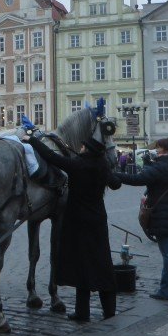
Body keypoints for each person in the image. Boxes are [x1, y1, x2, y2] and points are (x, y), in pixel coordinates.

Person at [23, 128, 118, 323]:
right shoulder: (101, 166)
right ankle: (109, 309)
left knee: (82, 265)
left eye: (83, 146)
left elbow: (51, 156)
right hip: (98, 220)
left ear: (87, 150)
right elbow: (116, 183)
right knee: (102, 263)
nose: (80, 148)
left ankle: (82, 313)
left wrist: (31, 140)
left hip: (79, 220)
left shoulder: (78, 165)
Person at [113, 137, 168, 301]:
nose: (157, 150)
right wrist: (149, 164)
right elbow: (157, 178)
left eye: (159, 148)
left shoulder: (162, 166)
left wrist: (116, 175)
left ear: (166, 150)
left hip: (163, 214)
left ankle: (167, 291)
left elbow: (138, 179)